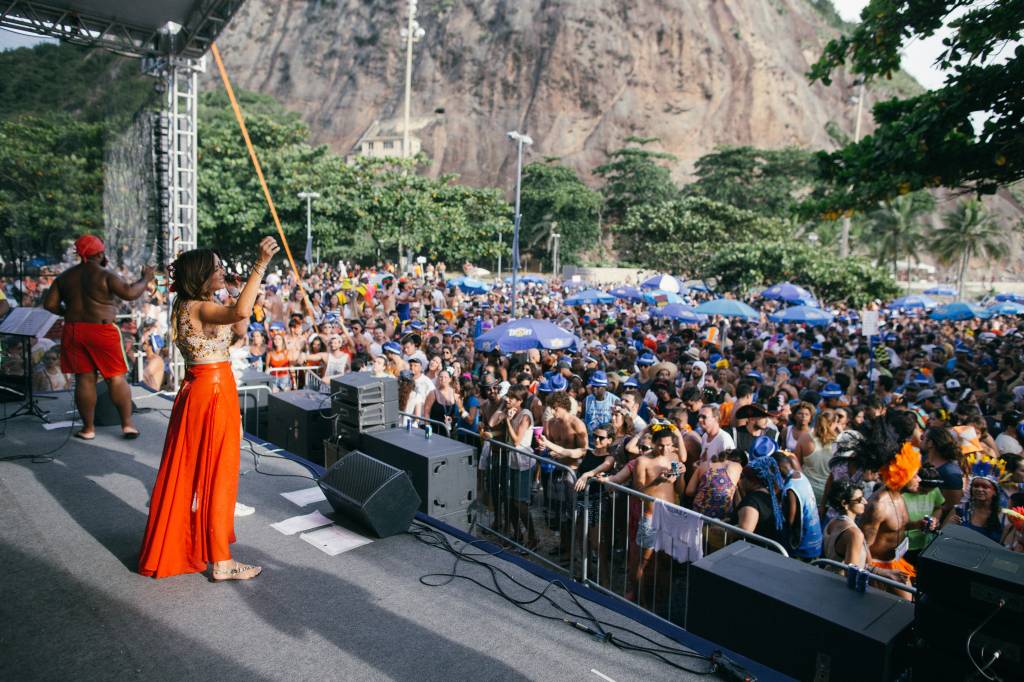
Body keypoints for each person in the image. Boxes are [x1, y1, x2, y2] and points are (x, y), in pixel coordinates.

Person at [138, 235, 280, 580]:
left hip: (205, 387)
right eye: (217, 267)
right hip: (214, 390)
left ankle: (212, 552)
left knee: (200, 469)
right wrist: (260, 266)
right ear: (202, 274)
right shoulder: (200, 307)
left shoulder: (189, 305)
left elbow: (239, 327)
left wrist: (233, 290)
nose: (222, 270)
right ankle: (221, 561)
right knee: (220, 474)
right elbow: (243, 313)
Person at [42, 234, 154, 439]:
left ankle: (88, 429)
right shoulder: (105, 275)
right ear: (100, 253)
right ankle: (128, 425)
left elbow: (49, 304)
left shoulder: (64, 277)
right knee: (115, 377)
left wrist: (67, 312)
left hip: (74, 330)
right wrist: (146, 278)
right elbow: (129, 293)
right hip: (102, 330)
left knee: (84, 378)